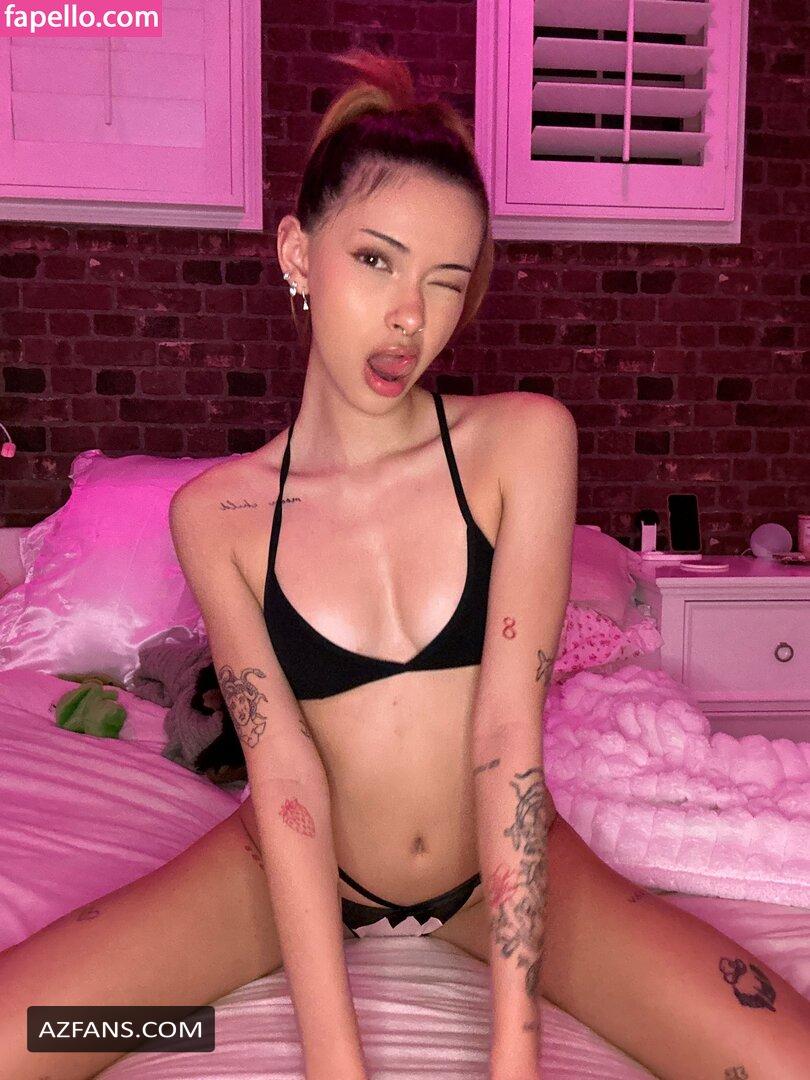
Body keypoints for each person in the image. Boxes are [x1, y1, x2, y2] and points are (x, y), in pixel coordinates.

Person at [3, 47, 810, 1080]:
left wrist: (513, 1052)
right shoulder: (218, 513)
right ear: (298, 253)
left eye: (444, 282)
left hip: (493, 873)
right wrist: (335, 1061)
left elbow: (510, 740)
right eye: (377, 261)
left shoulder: (522, 444)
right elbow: (284, 776)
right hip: (289, 873)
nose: (409, 318)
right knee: (28, 1036)